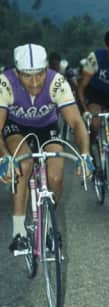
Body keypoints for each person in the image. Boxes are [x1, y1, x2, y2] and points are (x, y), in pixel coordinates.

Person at [0, 43, 94, 253]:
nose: (35, 83)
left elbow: (76, 122)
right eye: (27, 76)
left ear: (46, 70)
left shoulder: (57, 81)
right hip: (15, 128)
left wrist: (85, 154)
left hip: (47, 127)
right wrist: (4, 157)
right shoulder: (5, 82)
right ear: (17, 72)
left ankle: (50, 223)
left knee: (56, 175)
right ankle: (18, 231)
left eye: (40, 74)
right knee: (23, 163)